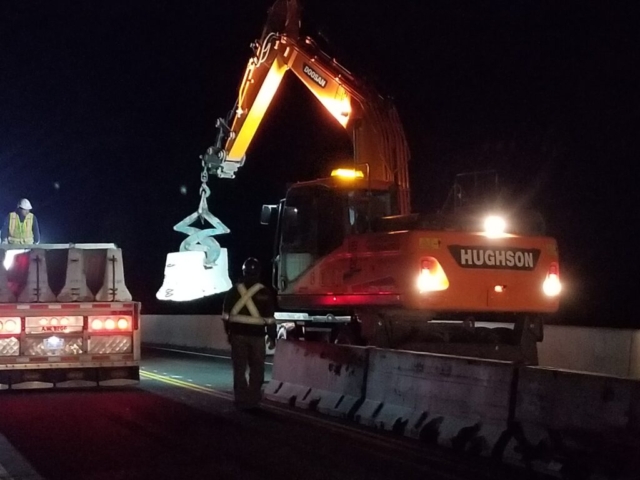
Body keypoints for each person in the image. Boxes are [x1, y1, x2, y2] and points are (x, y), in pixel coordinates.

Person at [222, 257, 276, 411]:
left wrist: (229, 333)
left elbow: (225, 316)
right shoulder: (264, 292)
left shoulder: (233, 291)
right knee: (257, 368)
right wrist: (272, 337)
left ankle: (240, 400)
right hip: (257, 337)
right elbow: (270, 320)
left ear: (244, 271)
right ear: (258, 272)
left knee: (239, 368)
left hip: (238, 336)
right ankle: (253, 401)